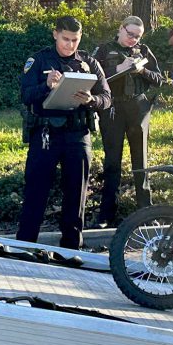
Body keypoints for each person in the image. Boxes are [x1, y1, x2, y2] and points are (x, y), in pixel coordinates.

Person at [17, 16, 111, 249]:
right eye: (65, 39)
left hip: (77, 134)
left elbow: (107, 98)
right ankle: (24, 245)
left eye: (75, 40)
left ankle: (71, 248)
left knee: (76, 194)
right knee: (35, 192)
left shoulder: (88, 62)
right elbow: (25, 95)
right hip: (46, 133)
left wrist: (91, 100)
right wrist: (45, 86)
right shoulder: (38, 60)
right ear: (55, 34)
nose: (70, 45)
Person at [92, 16, 163, 229]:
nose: (133, 39)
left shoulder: (144, 50)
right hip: (113, 108)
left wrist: (142, 70)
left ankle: (145, 213)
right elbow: (94, 81)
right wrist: (119, 69)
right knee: (112, 162)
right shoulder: (103, 51)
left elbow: (160, 79)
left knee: (141, 162)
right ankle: (106, 215)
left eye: (137, 36)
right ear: (120, 28)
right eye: (130, 34)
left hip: (138, 109)